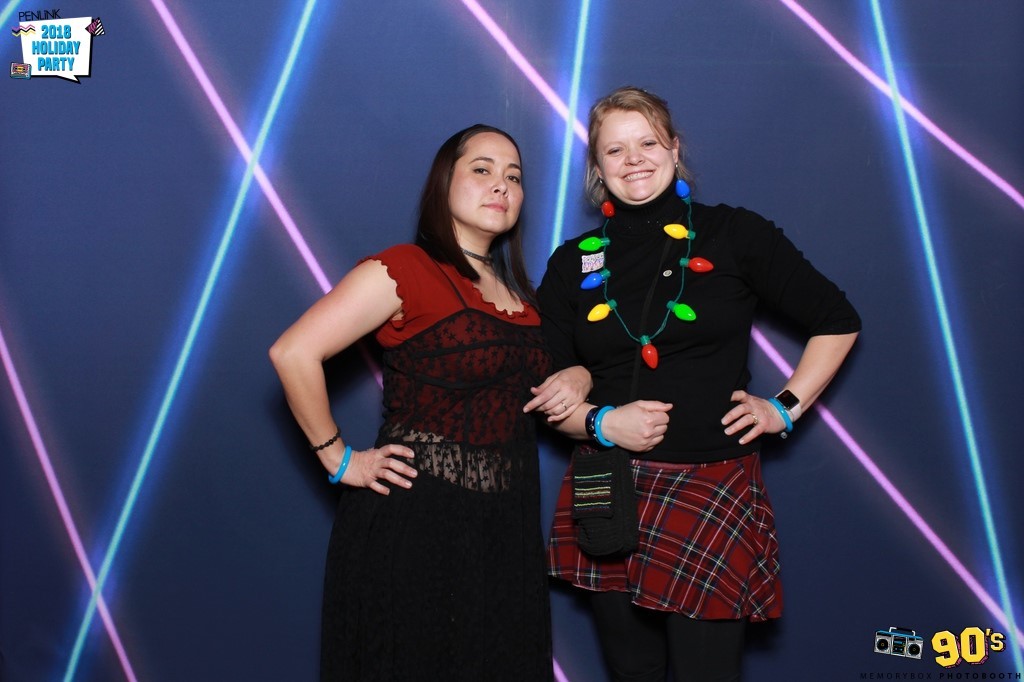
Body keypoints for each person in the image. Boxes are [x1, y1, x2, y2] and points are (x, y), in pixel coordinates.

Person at [532, 86, 861, 681]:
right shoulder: (571, 262)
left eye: (648, 143)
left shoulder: (734, 233)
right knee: (631, 672)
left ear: (675, 149)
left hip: (709, 487)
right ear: (597, 167)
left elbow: (837, 320)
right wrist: (601, 420)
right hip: (607, 485)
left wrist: (784, 407)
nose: (634, 159)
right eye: (615, 149)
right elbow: (547, 388)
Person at [269, 124, 588, 681]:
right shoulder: (407, 268)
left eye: (514, 177)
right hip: (416, 528)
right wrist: (339, 458)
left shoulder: (524, 300)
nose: (501, 185)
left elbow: (551, 403)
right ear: (445, 183)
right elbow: (293, 352)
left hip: (504, 535)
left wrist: (582, 375)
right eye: (482, 169)